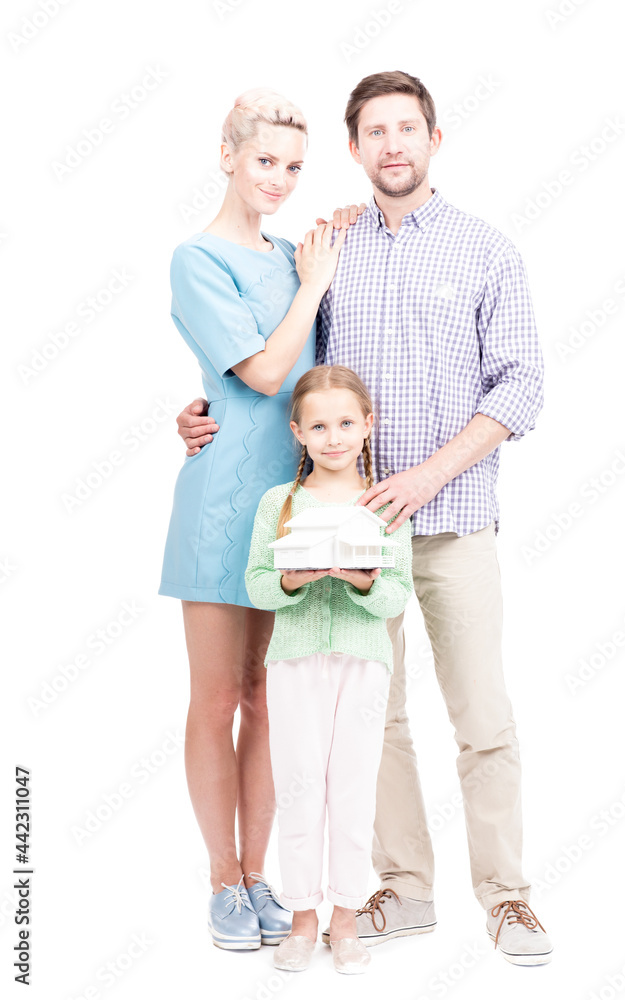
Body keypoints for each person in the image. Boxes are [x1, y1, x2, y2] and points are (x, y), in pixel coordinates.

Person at [175, 70, 552, 967]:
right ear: (354, 150)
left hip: (452, 515)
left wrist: (425, 475)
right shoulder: (327, 248)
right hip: (345, 529)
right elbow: (279, 372)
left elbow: (523, 385)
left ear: (432, 139)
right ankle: (403, 888)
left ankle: (506, 899)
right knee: (370, 722)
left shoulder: (485, 250)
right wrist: (198, 415)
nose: (391, 145)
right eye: (373, 132)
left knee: (482, 716)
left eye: (406, 129)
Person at [158, 87, 349, 951]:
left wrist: (312, 270)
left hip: (294, 505)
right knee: (215, 698)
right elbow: (267, 376)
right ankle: (220, 882)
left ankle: (260, 874)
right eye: (264, 160)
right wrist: (311, 288)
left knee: (270, 700)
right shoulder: (197, 259)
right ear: (228, 154)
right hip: (223, 500)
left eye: (293, 167)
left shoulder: (289, 251)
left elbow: (306, 381)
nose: (278, 179)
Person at [244, 365, 413, 974]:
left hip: (364, 663)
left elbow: (397, 595)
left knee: (352, 789)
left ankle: (346, 919)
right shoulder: (280, 503)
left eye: (346, 423)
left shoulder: (386, 504)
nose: (333, 437)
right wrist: (295, 577)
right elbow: (259, 585)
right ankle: (302, 918)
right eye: (319, 425)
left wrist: (361, 582)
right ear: (298, 432)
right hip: (294, 662)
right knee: (299, 787)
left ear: (367, 426)